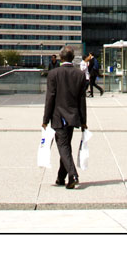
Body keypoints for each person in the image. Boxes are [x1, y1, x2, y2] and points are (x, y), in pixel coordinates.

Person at [43, 46, 88, 189]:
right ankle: (61, 177)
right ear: (72, 58)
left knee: (63, 146)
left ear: (61, 58)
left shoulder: (53, 74)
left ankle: (73, 175)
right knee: (66, 146)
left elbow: (50, 98)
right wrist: (83, 121)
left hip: (59, 117)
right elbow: (82, 100)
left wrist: (45, 119)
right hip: (73, 116)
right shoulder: (79, 74)